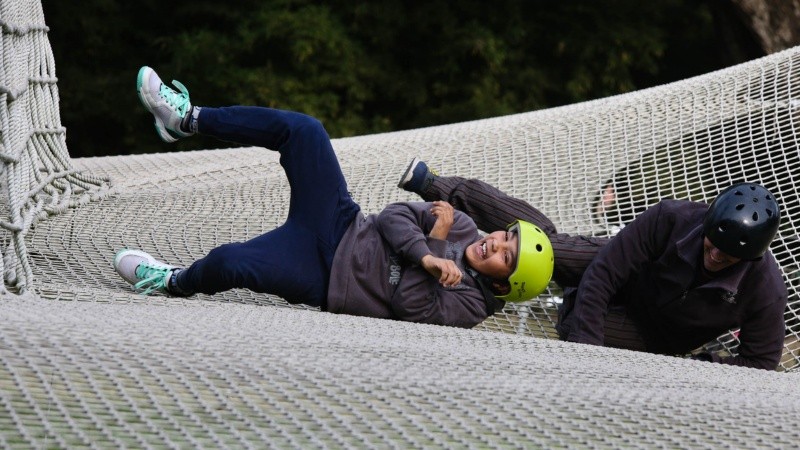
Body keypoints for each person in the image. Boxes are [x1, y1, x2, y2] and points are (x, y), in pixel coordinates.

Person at [113, 66, 556, 329]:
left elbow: (412, 309)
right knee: (305, 130)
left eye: (506, 256)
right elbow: (393, 217)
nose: (496, 243)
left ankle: (172, 281)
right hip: (341, 221)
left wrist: (434, 252)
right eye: (506, 237)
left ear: (503, 284)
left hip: (326, 279)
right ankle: (187, 119)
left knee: (230, 262)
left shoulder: (472, 305)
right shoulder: (457, 223)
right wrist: (429, 248)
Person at [399, 159, 788, 370]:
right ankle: (436, 185)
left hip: (651, 335)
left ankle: (571, 305)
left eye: (729, 255)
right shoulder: (673, 217)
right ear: (706, 221)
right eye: (712, 243)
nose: (716, 255)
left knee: (575, 325)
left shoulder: (765, 290)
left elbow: (761, 360)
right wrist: (588, 351)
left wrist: (705, 364)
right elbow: (605, 272)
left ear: (751, 259)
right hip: (614, 268)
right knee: (542, 244)